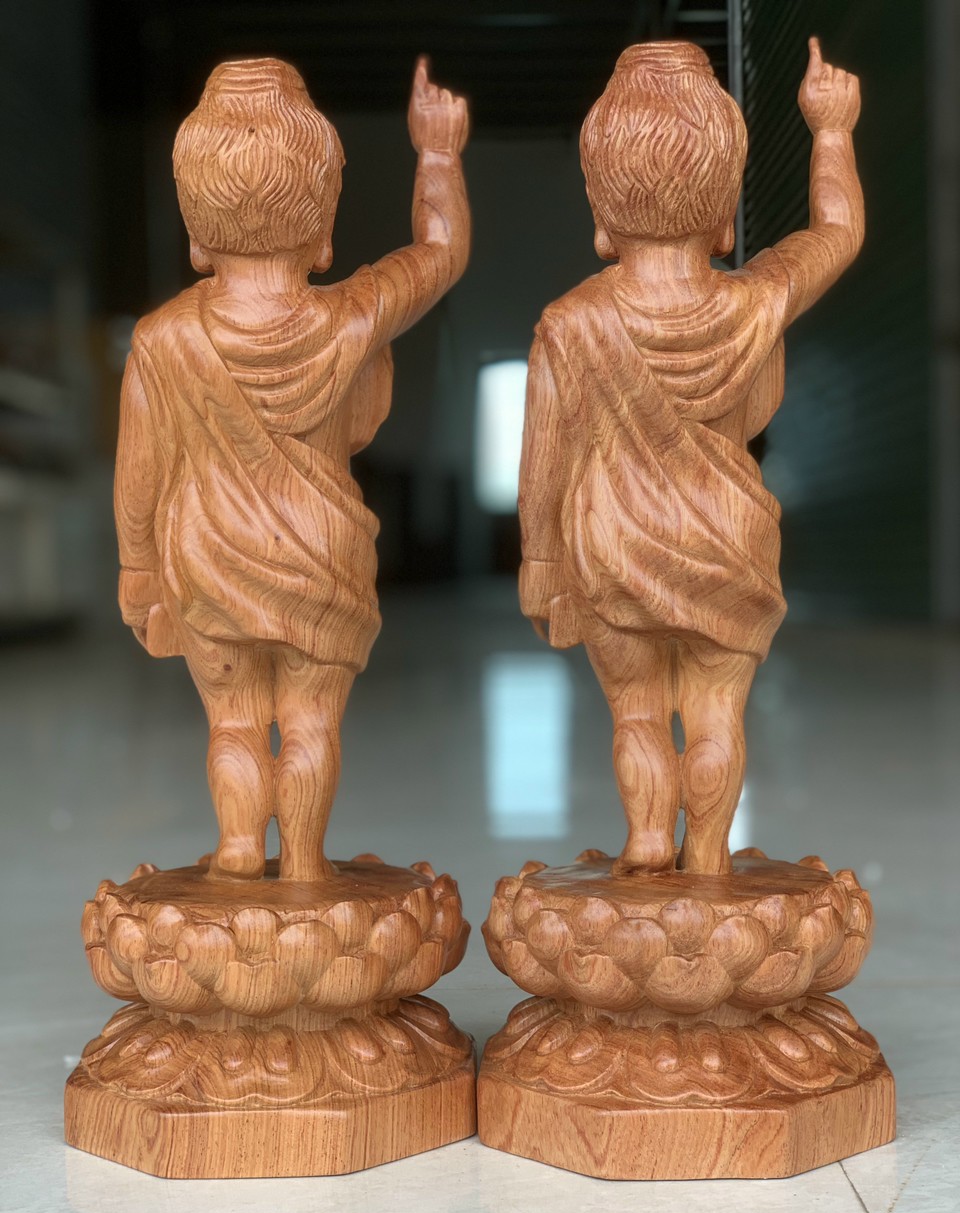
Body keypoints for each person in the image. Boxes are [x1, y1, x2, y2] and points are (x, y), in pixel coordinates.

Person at [114, 57, 469, 882]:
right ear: (323, 229)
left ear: (196, 234)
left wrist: (137, 569)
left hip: (208, 558)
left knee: (234, 723)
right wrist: (438, 155)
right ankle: (305, 861)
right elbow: (441, 252)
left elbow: (139, 474)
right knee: (311, 722)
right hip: (322, 559)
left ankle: (240, 849)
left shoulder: (162, 339)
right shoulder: (349, 317)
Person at [519, 37, 862, 875]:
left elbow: (544, 462)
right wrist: (831, 130)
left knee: (635, 711)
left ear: (601, 214)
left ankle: (645, 837)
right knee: (715, 713)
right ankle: (707, 855)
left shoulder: (569, 323)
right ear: (724, 214)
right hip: (727, 542)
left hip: (612, 544)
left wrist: (540, 561)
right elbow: (839, 231)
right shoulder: (752, 302)